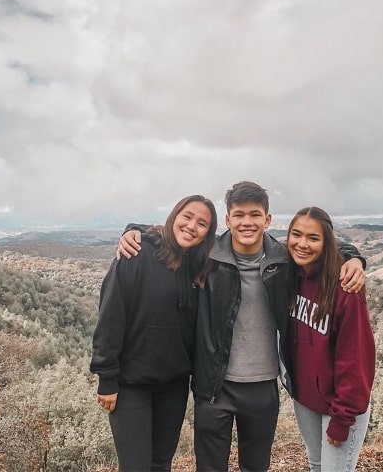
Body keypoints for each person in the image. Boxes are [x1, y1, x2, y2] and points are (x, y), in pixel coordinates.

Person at [117, 181, 366, 472]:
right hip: (213, 387)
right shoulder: (207, 256)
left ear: (267, 219)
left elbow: (319, 246)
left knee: (256, 467)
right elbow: (174, 236)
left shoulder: (283, 260)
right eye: (239, 215)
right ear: (228, 220)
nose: (247, 222)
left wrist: (353, 257)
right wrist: (132, 230)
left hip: (263, 387)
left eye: (255, 214)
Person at [90, 194, 218, 472]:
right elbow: (111, 315)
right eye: (187, 217)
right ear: (174, 217)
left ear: (208, 233)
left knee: (161, 464)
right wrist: (106, 378)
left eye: (202, 223)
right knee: (135, 467)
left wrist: (340, 253)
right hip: (130, 384)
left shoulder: (199, 266)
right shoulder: (136, 254)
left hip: (174, 385)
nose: (192, 226)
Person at [286, 206, 375, 472]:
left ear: (327, 243)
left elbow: (355, 359)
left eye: (313, 238)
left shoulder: (346, 288)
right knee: (316, 465)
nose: (302, 244)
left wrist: (342, 418)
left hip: (340, 406)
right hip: (306, 398)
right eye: (296, 234)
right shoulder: (291, 274)